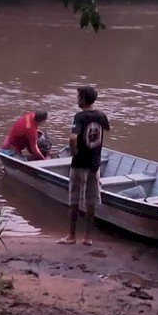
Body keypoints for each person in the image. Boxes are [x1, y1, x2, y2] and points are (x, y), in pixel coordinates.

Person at [60, 85, 110, 246]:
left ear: (82, 99)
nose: (77, 100)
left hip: (80, 163)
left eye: (78, 97)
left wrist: (74, 152)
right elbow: (105, 130)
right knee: (91, 201)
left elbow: (73, 138)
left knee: (74, 200)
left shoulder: (80, 117)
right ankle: (88, 237)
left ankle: (71, 235)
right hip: (95, 164)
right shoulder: (101, 115)